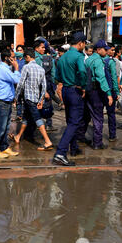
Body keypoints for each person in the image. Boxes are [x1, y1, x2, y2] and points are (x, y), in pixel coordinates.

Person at [53, 32, 88, 166]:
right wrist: (83, 86)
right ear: (80, 43)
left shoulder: (62, 57)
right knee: (74, 123)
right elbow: (83, 72)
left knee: (71, 122)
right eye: (84, 43)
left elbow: (57, 77)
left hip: (66, 90)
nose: (84, 46)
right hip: (75, 91)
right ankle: (61, 153)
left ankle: (73, 148)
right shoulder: (78, 56)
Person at [13, 48, 53, 151]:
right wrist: (41, 100)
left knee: (37, 119)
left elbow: (21, 84)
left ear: (27, 57)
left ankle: (47, 141)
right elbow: (44, 87)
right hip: (35, 98)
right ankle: (18, 136)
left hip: (28, 98)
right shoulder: (41, 69)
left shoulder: (26, 67)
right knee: (26, 117)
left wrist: (16, 97)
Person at [0, 50, 21, 158]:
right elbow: (17, 79)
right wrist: (16, 68)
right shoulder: (2, 69)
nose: (15, 60)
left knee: (6, 128)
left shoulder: (6, 69)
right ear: (7, 58)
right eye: (13, 57)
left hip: (6, 102)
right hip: (1, 103)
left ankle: (4, 147)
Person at [85, 40, 114, 150]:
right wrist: (108, 93)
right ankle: (97, 143)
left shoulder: (88, 60)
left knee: (88, 115)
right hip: (96, 92)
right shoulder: (98, 61)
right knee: (98, 118)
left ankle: (80, 136)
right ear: (98, 50)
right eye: (105, 49)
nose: (107, 51)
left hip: (88, 91)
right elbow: (101, 78)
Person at [34, 40, 57, 132]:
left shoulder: (34, 58)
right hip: (44, 85)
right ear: (36, 48)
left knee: (41, 105)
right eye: (42, 47)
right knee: (45, 105)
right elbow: (52, 75)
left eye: (44, 47)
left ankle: (41, 124)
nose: (44, 49)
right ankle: (45, 124)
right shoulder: (46, 59)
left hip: (42, 86)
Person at [103, 43, 120, 142]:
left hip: (100, 90)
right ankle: (112, 135)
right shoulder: (111, 62)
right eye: (112, 50)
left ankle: (97, 137)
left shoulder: (99, 60)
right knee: (111, 114)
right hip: (110, 91)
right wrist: (117, 92)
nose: (113, 52)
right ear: (107, 50)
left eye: (114, 50)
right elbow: (114, 78)